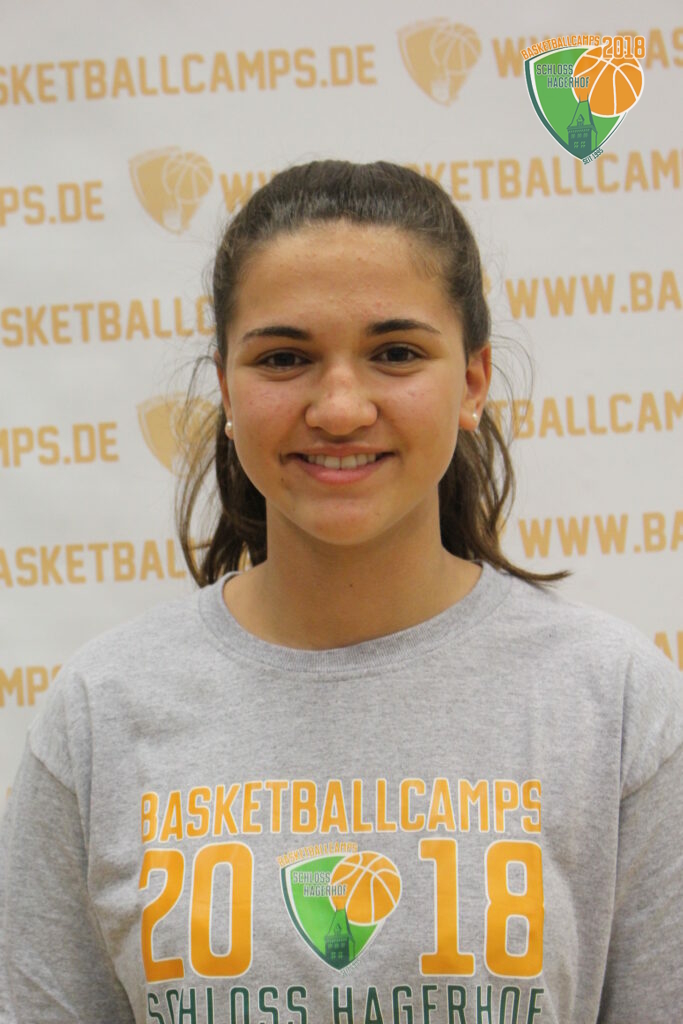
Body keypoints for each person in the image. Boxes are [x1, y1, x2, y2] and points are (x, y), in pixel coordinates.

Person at [0, 160, 680, 1024]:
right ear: (226, 388)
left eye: (395, 354)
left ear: (472, 381)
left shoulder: (614, 702)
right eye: (284, 358)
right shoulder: (101, 712)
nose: (340, 407)